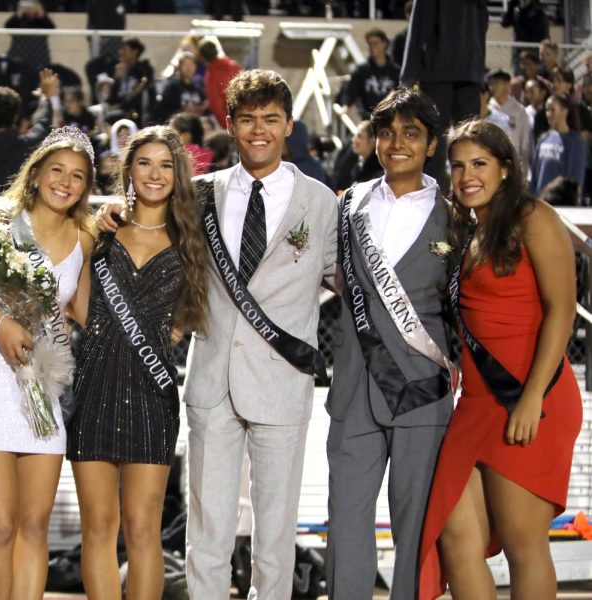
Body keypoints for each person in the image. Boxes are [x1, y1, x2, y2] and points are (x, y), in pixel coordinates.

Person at [101, 68, 338, 598]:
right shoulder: (200, 193)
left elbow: (349, 282)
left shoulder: (321, 202)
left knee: (275, 531)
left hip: (282, 380)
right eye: (248, 119)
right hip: (210, 381)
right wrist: (110, 214)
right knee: (207, 529)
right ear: (230, 124)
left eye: (271, 120)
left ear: (289, 125)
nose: (259, 131)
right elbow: (147, 228)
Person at [418, 118, 581, 599]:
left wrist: (530, 398)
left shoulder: (534, 217)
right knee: (456, 537)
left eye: (480, 163)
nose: (467, 175)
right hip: (477, 403)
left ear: (506, 169)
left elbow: (562, 310)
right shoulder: (463, 231)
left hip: (532, 398)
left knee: (522, 544)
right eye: (458, 166)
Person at [68, 126, 209, 599]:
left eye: (166, 164)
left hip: (152, 393)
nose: (155, 173)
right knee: (99, 528)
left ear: (178, 174)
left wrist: (168, 331)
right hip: (93, 386)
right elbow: (77, 304)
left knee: (144, 528)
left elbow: (195, 309)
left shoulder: (189, 238)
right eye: (144, 163)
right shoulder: (100, 231)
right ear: (128, 170)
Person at [0, 126, 95, 600]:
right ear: (35, 174)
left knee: (34, 525)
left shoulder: (85, 237)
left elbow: (81, 311)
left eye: (77, 176)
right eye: (57, 170)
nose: (66, 182)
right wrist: (1, 326)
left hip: (42, 382)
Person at [326, 86, 455, 600]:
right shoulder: (347, 203)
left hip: (422, 390)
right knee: (347, 522)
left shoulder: (456, 215)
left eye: (411, 134)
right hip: (355, 385)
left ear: (430, 145)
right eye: (387, 132)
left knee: (416, 526)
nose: (397, 143)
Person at [400, 0, 488, 189]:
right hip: (470, 71)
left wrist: (407, 78)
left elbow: (419, 26)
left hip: (437, 70)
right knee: (469, 141)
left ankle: (432, 201)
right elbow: (483, 24)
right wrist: (479, 70)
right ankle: (470, 197)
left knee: (434, 141)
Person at [0, 68, 59, 196]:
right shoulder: (27, 145)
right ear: (16, 116)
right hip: (14, 214)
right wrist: (45, 98)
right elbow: (42, 123)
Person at [530, 93, 586, 196]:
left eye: (552, 109)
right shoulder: (543, 139)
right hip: (541, 203)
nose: (548, 114)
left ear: (564, 112)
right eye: (547, 110)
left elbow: (575, 178)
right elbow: (535, 173)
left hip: (561, 203)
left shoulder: (575, 141)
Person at [339, 28, 400, 119]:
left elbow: (401, 94)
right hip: (368, 119)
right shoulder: (362, 71)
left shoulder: (396, 71)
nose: (372, 47)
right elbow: (351, 91)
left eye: (375, 43)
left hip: (390, 119)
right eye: (370, 44)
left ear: (384, 44)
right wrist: (345, 106)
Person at [199, 38, 241, 129]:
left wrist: (227, 125)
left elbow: (215, 104)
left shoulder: (211, 75)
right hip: (242, 115)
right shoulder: (234, 66)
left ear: (202, 56)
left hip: (227, 121)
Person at [5, 0, 56, 72]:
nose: (30, 8)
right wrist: (18, 14)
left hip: (39, 56)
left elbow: (51, 28)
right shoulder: (19, 20)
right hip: (18, 55)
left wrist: (40, 13)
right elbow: (8, 27)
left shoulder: (41, 20)